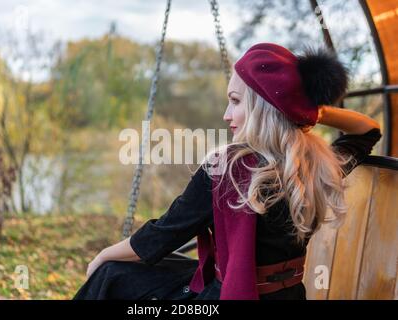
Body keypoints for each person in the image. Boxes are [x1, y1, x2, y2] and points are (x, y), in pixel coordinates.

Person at [73, 43, 382, 300]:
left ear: (264, 108)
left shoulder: (225, 172)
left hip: (227, 296)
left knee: (112, 275)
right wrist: (301, 106)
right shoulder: (316, 166)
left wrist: (102, 257)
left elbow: (160, 237)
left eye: (235, 101)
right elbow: (368, 130)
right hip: (289, 296)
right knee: (171, 267)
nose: (226, 115)